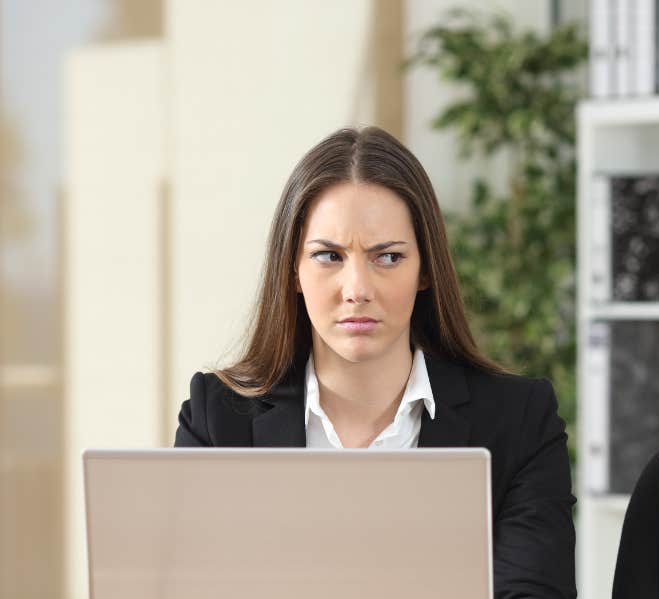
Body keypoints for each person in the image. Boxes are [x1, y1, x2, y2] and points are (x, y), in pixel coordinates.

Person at [174, 126, 576, 599]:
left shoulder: (520, 420)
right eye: (328, 256)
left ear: (426, 269)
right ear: (293, 271)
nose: (357, 289)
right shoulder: (218, 418)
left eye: (387, 257)